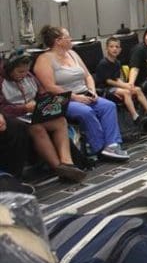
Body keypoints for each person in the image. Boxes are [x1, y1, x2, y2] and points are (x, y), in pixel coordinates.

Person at [33, 26, 127, 160]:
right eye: (68, 37)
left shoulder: (73, 54)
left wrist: (92, 91)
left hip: (84, 93)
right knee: (86, 111)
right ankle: (99, 148)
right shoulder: (44, 59)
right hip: (63, 99)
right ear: (58, 40)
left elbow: (88, 76)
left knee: (108, 106)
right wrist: (76, 97)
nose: (71, 39)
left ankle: (112, 145)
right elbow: (50, 87)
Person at [0, 51, 85, 182]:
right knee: (36, 127)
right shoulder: (2, 81)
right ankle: (58, 167)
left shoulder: (29, 76)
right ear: (10, 69)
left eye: (25, 71)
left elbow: (42, 94)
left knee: (60, 120)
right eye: (19, 72)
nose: (23, 75)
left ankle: (67, 163)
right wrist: (23, 108)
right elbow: (3, 108)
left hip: (33, 113)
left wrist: (45, 104)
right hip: (16, 117)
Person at [95, 37, 147, 123]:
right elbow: (108, 81)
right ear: (106, 49)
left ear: (120, 49)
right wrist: (125, 86)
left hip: (115, 87)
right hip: (105, 89)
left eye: (117, 47)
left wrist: (128, 85)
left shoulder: (117, 62)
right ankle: (134, 115)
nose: (114, 49)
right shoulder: (103, 63)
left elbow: (116, 78)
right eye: (111, 47)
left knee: (137, 89)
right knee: (126, 92)